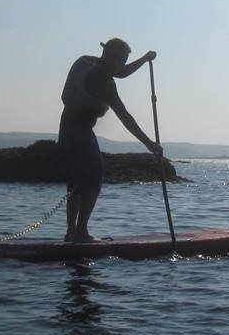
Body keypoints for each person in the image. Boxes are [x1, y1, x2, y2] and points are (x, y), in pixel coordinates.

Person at [58, 38, 162, 242]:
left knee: (76, 183)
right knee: (93, 179)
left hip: (65, 129)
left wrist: (143, 59)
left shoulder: (84, 62)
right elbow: (126, 118)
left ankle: (71, 232)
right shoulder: (105, 84)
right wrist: (149, 144)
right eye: (121, 60)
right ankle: (81, 232)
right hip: (81, 132)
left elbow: (65, 97)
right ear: (111, 57)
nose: (122, 65)